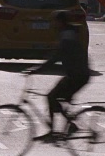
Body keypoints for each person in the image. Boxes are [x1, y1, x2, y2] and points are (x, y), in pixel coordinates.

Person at [27, 10, 90, 142]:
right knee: (57, 99)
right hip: (78, 73)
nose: (54, 25)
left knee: (52, 97)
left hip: (78, 75)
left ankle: (54, 131)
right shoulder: (68, 33)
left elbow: (57, 56)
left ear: (61, 22)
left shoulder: (67, 35)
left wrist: (38, 69)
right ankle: (70, 125)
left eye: (55, 22)